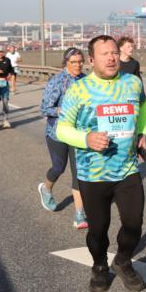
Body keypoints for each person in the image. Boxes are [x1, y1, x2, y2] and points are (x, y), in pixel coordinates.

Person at [56, 36, 146, 292]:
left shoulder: (132, 82)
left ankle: (122, 261)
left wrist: (142, 132)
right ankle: (99, 266)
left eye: (114, 53)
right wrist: (85, 138)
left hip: (127, 168)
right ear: (91, 60)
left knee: (134, 222)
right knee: (98, 229)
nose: (111, 58)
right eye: (104, 54)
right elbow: (62, 129)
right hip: (93, 173)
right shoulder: (79, 89)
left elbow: (142, 107)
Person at [39, 47, 89, 229]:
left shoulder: (86, 80)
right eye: (73, 62)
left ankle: (79, 214)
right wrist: (61, 110)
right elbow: (45, 108)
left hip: (78, 134)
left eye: (80, 61)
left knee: (79, 173)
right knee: (59, 168)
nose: (78, 65)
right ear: (66, 63)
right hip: (57, 133)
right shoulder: (58, 81)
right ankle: (46, 188)